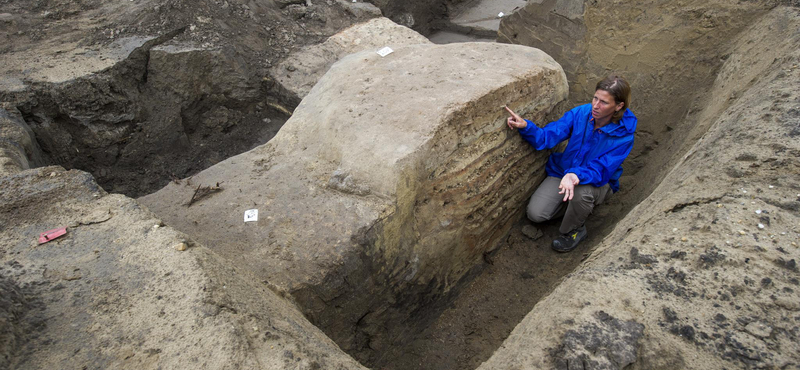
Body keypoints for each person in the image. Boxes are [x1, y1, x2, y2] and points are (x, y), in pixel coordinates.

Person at [505, 75, 637, 252]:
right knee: (536, 214)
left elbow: (602, 170)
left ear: (619, 106)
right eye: (595, 98)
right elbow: (550, 135)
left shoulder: (624, 134)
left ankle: (574, 230)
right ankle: (574, 208)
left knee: (581, 194)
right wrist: (526, 127)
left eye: (604, 102)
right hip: (564, 172)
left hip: (596, 182)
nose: (595, 106)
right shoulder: (581, 113)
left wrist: (576, 175)